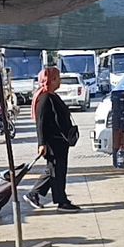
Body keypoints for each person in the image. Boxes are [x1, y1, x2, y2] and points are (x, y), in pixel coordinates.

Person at [23, 67, 80, 213]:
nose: (60, 81)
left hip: (60, 141)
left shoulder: (52, 95)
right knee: (57, 172)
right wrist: (41, 143)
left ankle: (34, 194)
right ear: (52, 80)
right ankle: (61, 201)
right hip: (53, 142)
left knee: (53, 170)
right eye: (58, 78)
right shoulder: (44, 98)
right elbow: (40, 123)